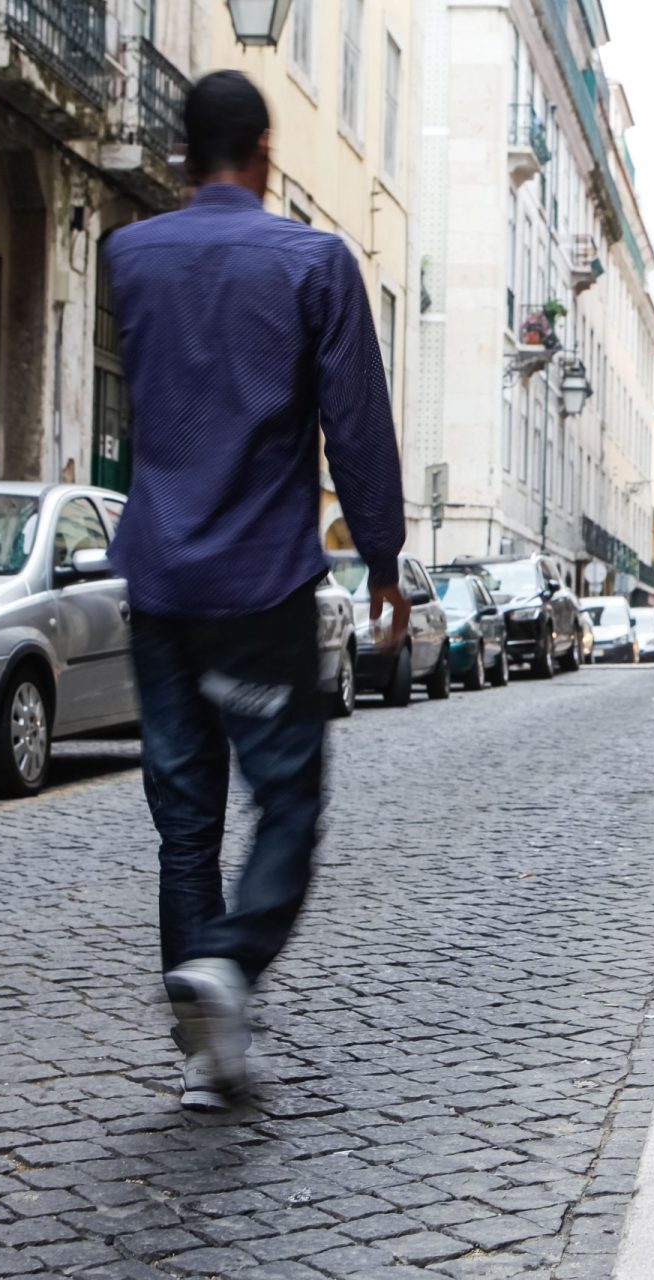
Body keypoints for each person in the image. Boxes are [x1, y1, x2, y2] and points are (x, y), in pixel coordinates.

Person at [105, 70, 409, 1112]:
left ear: (185, 155)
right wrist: (383, 561)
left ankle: (204, 1056)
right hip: (260, 583)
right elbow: (357, 429)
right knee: (286, 797)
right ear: (267, 151)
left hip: (158, 576)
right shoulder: (315, 263)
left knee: (184, 819)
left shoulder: (128, 255)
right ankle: (228, 967)